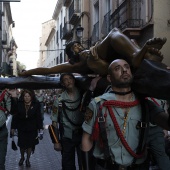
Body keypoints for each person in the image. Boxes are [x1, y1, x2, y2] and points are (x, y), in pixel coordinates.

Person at [81, 59, 170, 170]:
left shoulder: (144, 104)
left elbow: (166, 122)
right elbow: (86, 139)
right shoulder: (98, 104)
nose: (124, 70)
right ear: (109, 78)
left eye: (127, 67)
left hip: (137, 166)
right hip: (107, 166)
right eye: (117, 68)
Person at [8, 89, 43, 167]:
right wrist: (13, 127)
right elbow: (15, 116)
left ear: (31, 97)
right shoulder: (19, 103)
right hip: (22, 128)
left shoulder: (36, 104)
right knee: (22, 145)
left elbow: (38, 117)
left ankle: (28, 159)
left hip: (32, 128)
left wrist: (40, 129)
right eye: (25, 96)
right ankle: (22, 157)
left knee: (30, 145)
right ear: (23, 97)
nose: (27, 97)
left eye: (28, 96)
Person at [0, 89, 11, 170]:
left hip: (2, 131)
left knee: (1, 160)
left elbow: (12, 110)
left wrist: (14, 98)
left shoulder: (4, 95)